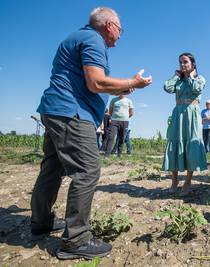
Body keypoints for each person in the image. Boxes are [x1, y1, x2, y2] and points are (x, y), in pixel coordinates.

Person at [31, 7, 152, 260]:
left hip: (56, 109)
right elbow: (95, 82)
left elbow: (90, 83)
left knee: (52, 168)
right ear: (110, 26)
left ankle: (41, 221)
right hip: (72, 113)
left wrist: (123, 88)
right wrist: (133, 82)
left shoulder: (79, 37)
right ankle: (76, 240)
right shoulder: (94, 40)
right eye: (120, 29)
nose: (120, 35)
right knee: (87, 171)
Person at [162, 52, 207, 195]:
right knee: (174, 144)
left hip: (192, 113)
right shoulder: (179, 81)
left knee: (192, 145)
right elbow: (167, 88)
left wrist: (191, 76)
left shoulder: (199, 78)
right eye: (180, 62)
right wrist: (176, 75)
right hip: (178, 114)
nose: (182, 64)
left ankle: (187, 182)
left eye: (185, 62)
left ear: (193, 64)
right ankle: (174, 181)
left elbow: (196, 89)